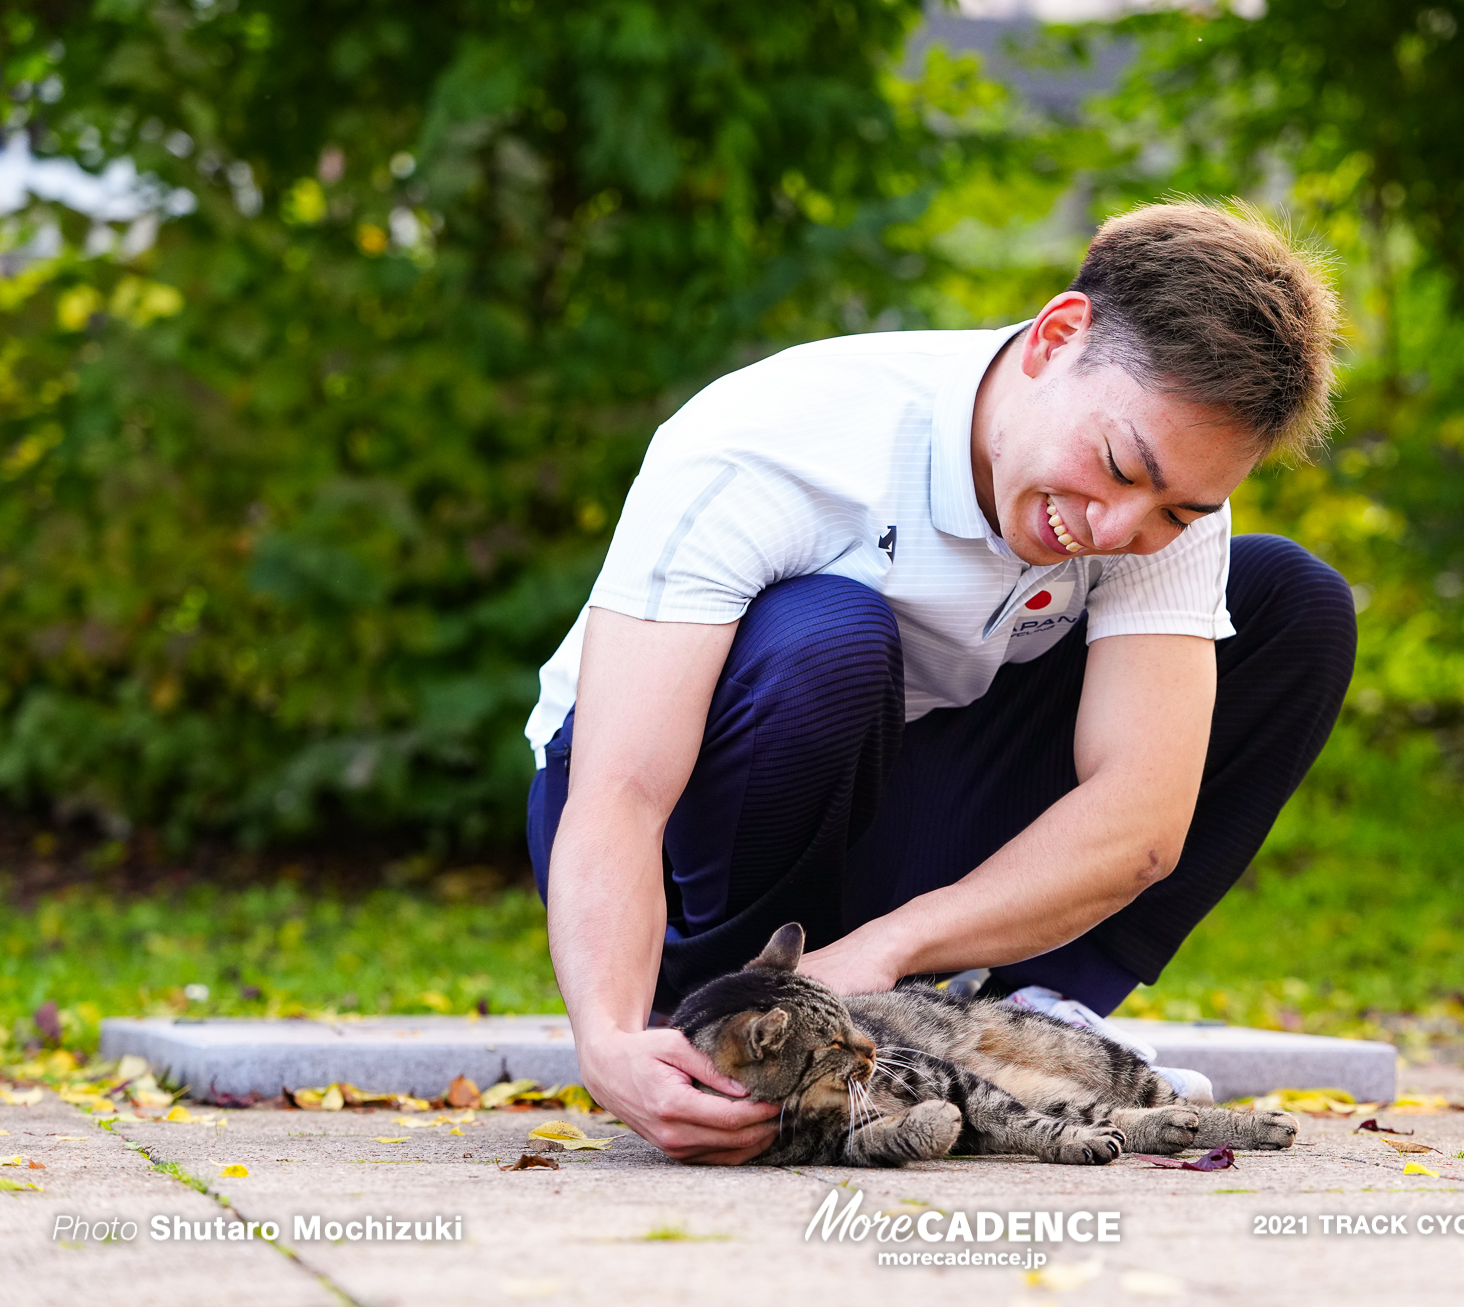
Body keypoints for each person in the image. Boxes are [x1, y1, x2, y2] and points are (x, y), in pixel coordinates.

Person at [522, 200, 1357, 1164]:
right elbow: (622, 791)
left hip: (885, 832)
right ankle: (716, 1017)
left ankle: (1030, 1025)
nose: (1119, 526)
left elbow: (1141, 817)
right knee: (831, 637)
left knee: (1291, 599)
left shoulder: (1162, 509)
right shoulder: (775, 439)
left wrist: (890, 949)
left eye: (1175, 507)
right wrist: (608, 1044)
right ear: (1056, 337)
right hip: (689, 835)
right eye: (1121, 464)